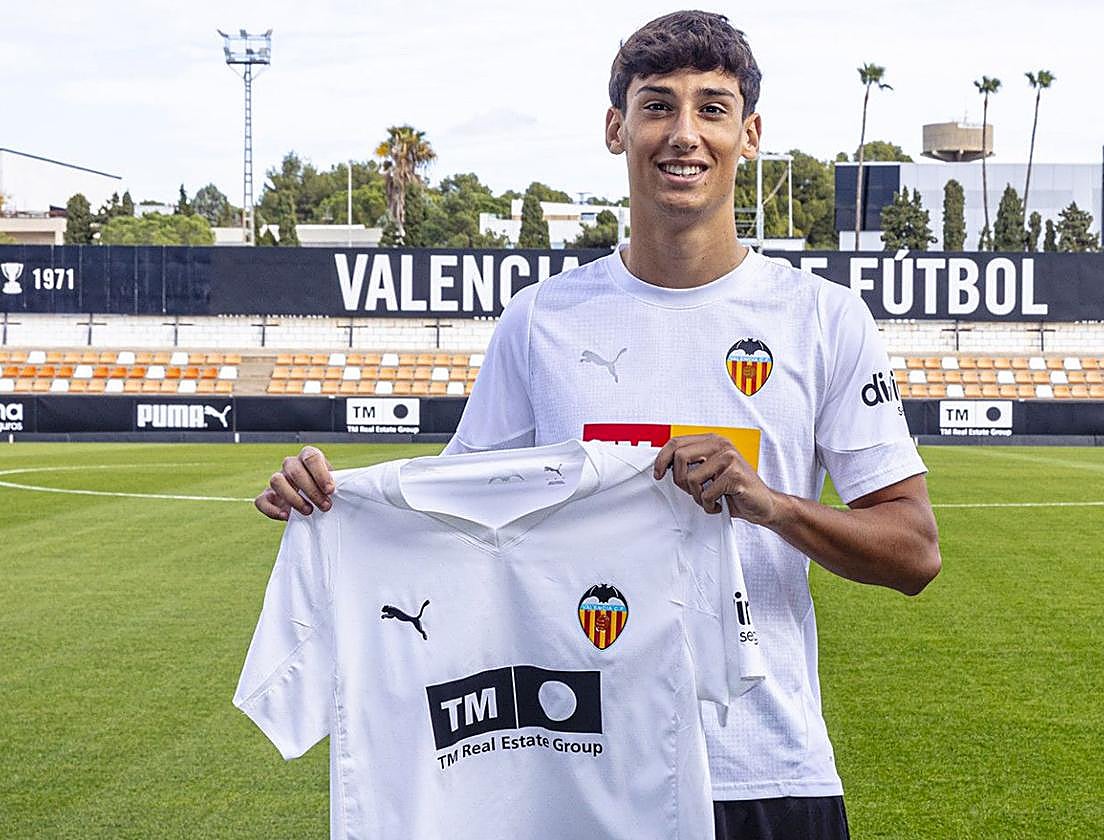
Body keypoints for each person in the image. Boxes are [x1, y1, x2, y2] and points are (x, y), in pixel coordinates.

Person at [255, 10, 940, 839]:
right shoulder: (541, 321)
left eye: (711, 108)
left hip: (766, 770)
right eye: (657, 106)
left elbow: (915, 553)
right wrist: (333, 504)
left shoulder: (823, 319)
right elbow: (455, 524)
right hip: (583, 775)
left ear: (749, 134)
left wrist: (773, 506)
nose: (683, 134)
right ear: (617, 128)